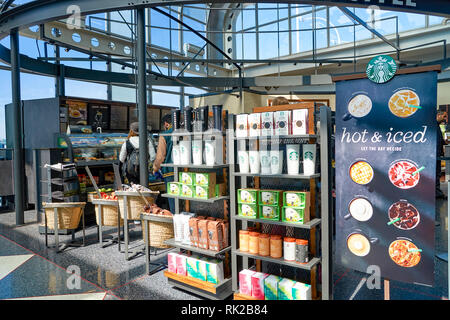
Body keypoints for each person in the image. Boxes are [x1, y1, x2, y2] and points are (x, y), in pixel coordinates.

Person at [153, 114, 175, 213]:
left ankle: (176, 223)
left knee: (173, 200)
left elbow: (160, 157)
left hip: (170, 172)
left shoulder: (165, 135)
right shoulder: (185, 132)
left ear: (166, 124)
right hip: (185, 170)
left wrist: (155, 168)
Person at [436, 112, 447, 199]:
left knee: (438, 173)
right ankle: (437, 193)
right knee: (436, 173)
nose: (445, 119)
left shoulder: (438, 127)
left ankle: (437, 192)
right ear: (438, 115)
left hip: (438, 154)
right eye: (444, 116)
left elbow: (440, 140)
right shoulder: (434, 126)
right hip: (435, 155)